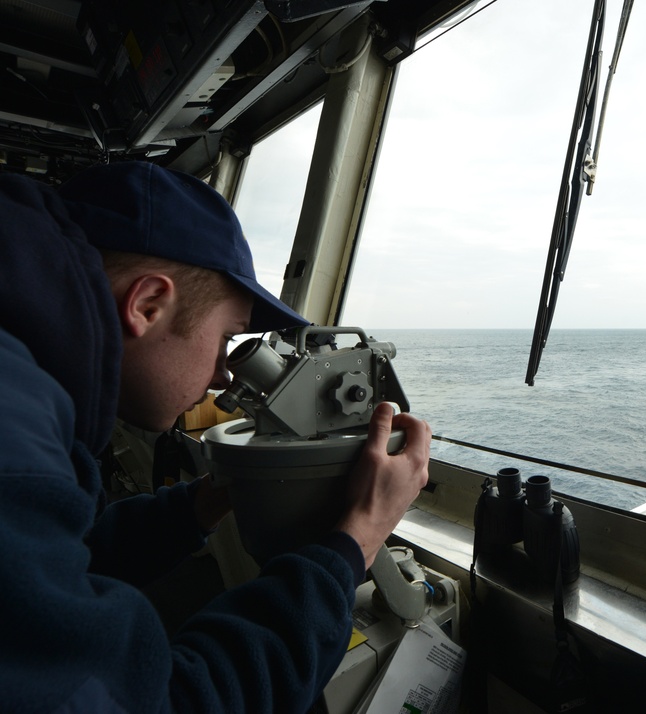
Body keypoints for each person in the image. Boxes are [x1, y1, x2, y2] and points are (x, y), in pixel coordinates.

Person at [0, 161, 431, 713]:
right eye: (226, 336)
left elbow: (59, 561)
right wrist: (358, 540)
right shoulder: (15, 446)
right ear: (147, 305)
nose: (224, 375)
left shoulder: (27, 392)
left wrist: (200, 505)